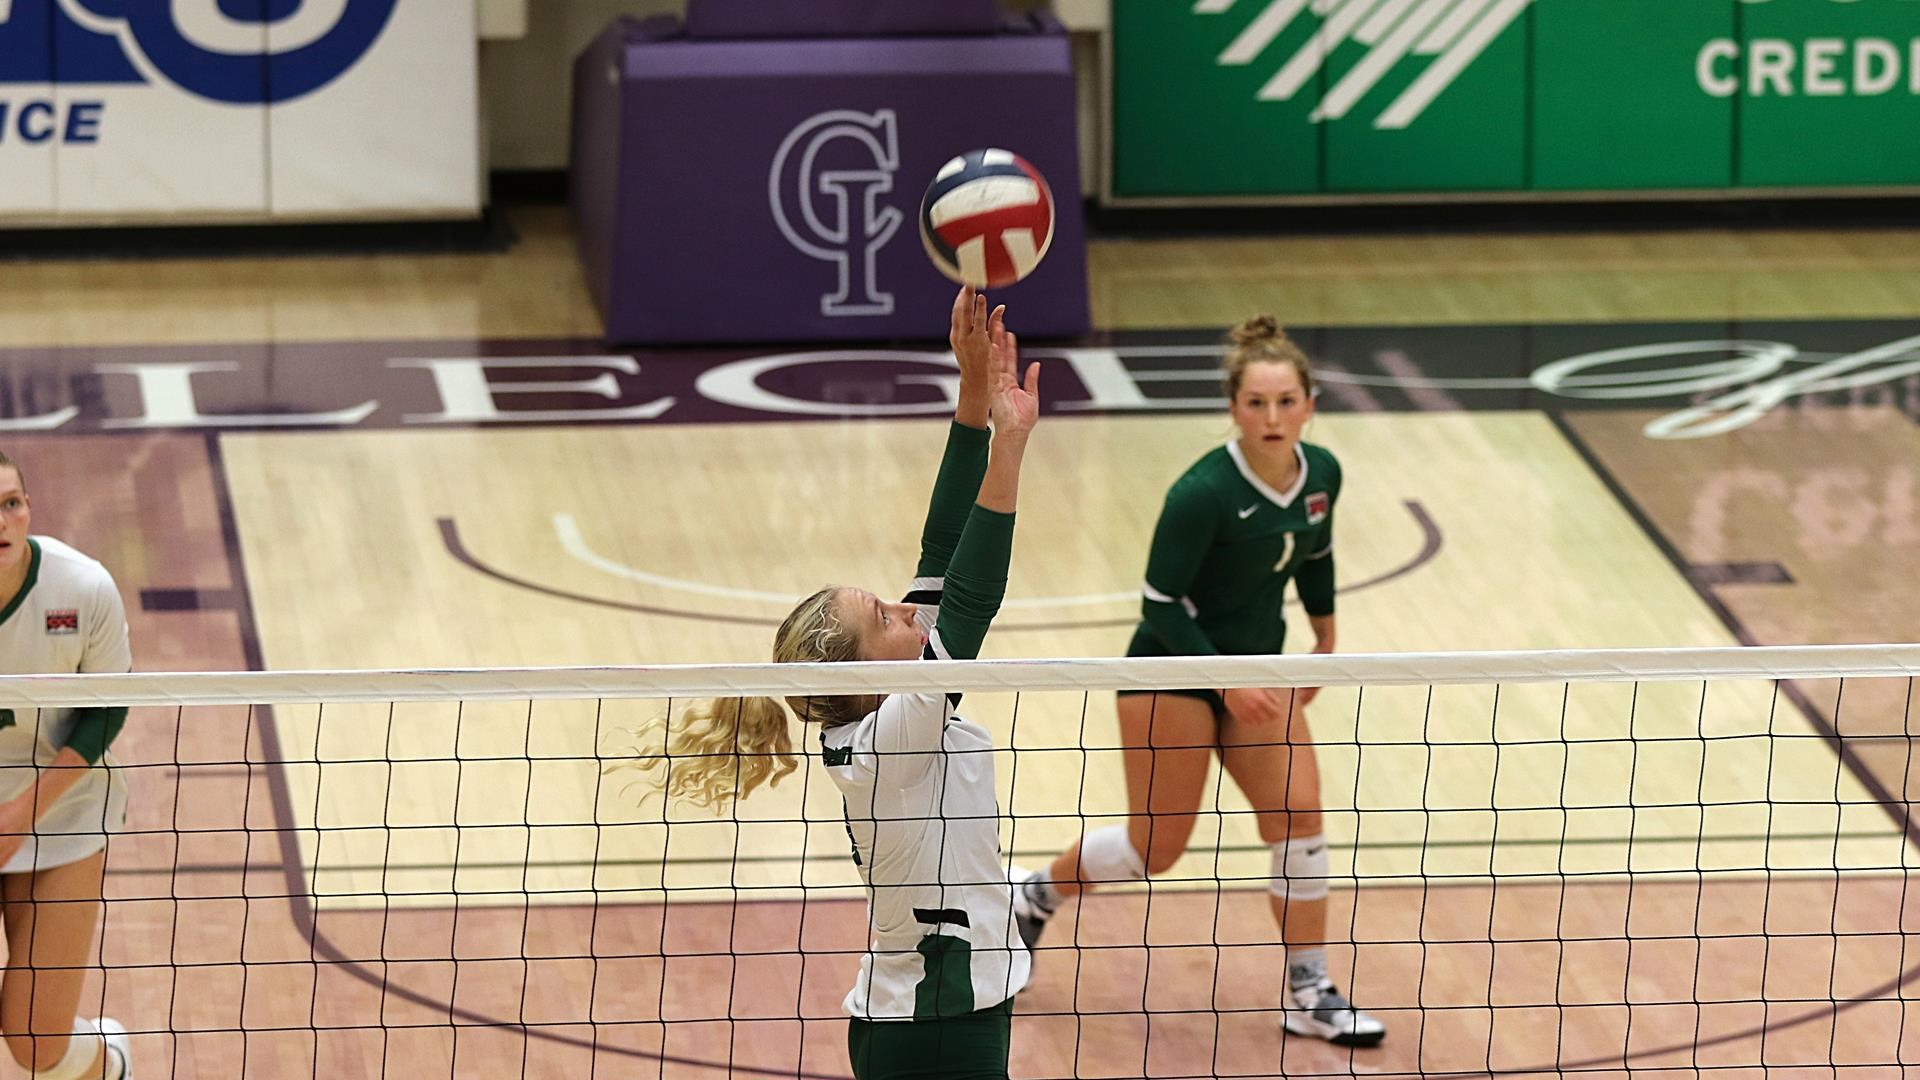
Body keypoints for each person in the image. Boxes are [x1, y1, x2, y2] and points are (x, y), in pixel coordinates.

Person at [620, 287, 1041, 1079]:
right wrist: (1009, 448)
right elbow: (973, 597)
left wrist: (975, 393)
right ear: (862, 670)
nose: (907, 612)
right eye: (885, 615)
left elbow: (943, 547)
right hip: (938, 1022)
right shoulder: (895, 734)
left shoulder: (883, 712)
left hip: (941, 1011)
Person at [1013, 317, 1386, 1048]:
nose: (1272, 418)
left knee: (1300, 825)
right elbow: (1158, 604)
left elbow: (1316, 551)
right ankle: (1031, 896)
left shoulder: (1325, 476)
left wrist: (1326, 634)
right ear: (1233, 408)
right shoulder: (1202, 494)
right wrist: (1220, 683)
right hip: (1170, 672)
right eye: (1256, 403)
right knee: (1157, 848)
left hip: (1255, 674)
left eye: (1286, 402)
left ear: (1310, 404)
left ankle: (1310, 990)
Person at [0, 452, 135, 1079]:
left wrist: (21, 813)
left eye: (11, 503)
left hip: (63, 806)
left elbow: (105, 714)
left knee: (34, 1046)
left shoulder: (83, 588)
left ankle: (108, 1060)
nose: (2, 521)